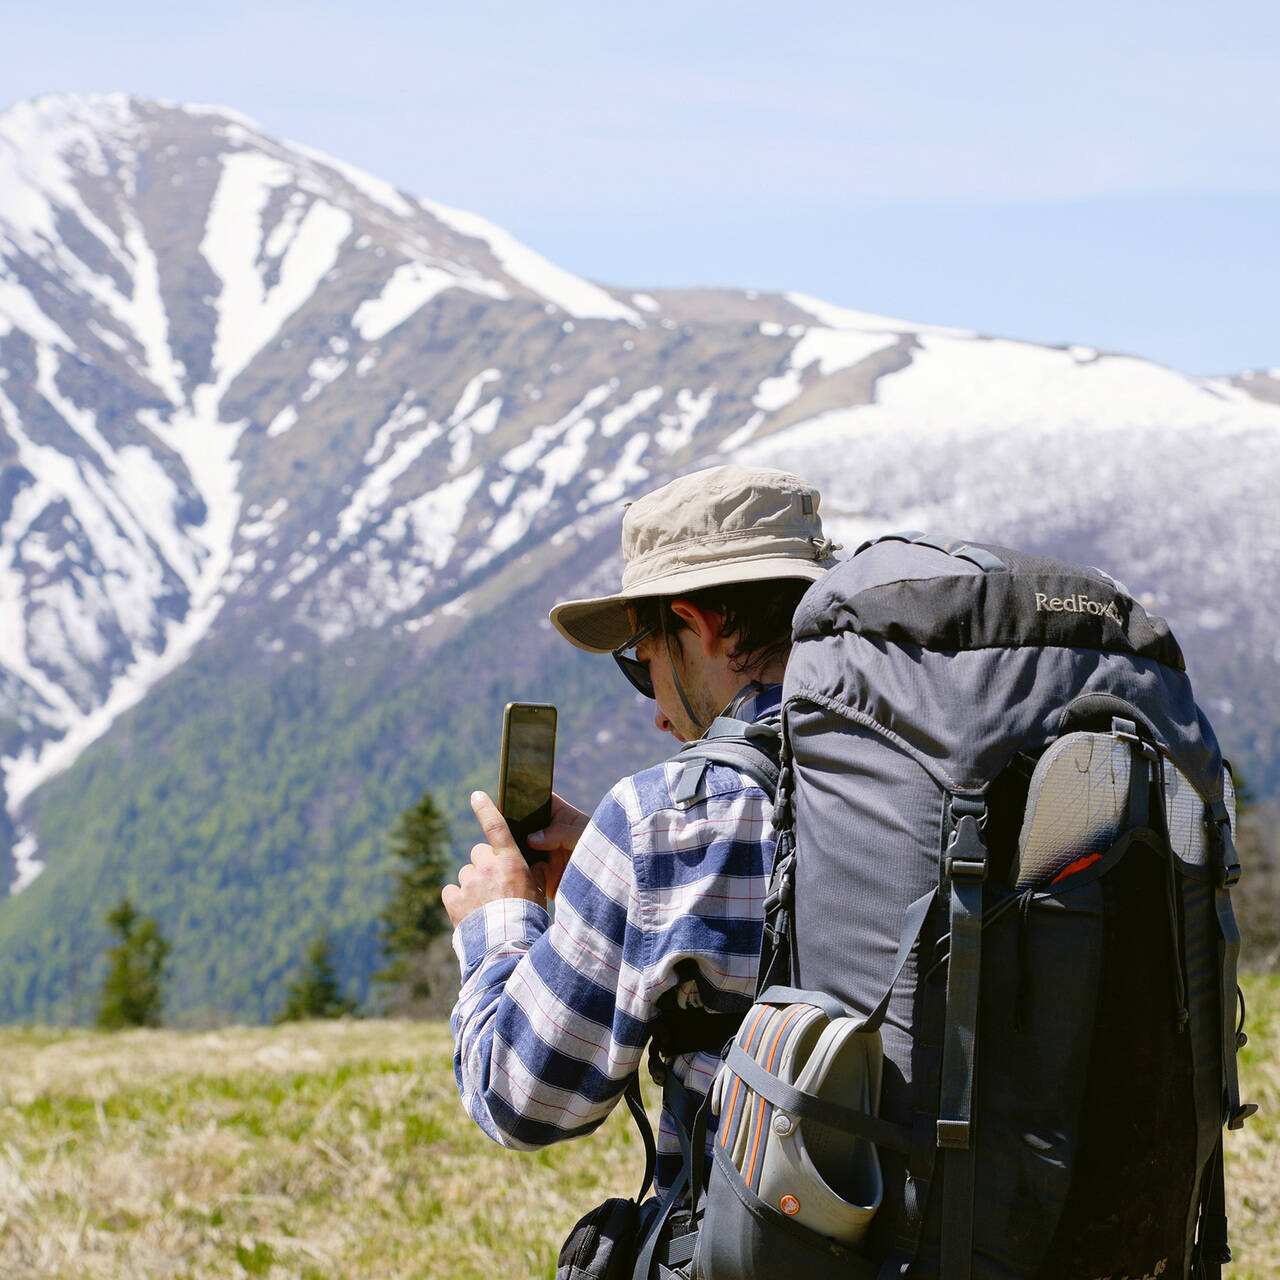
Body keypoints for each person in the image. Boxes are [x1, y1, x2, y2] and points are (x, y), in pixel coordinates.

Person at [442, 464, 839, 1209]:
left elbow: (522, 1096)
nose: (658, 712)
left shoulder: (664, 822)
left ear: (700, 626)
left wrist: (501, 925)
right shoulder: (930, 772)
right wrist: (615, 877)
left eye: (643, 662)